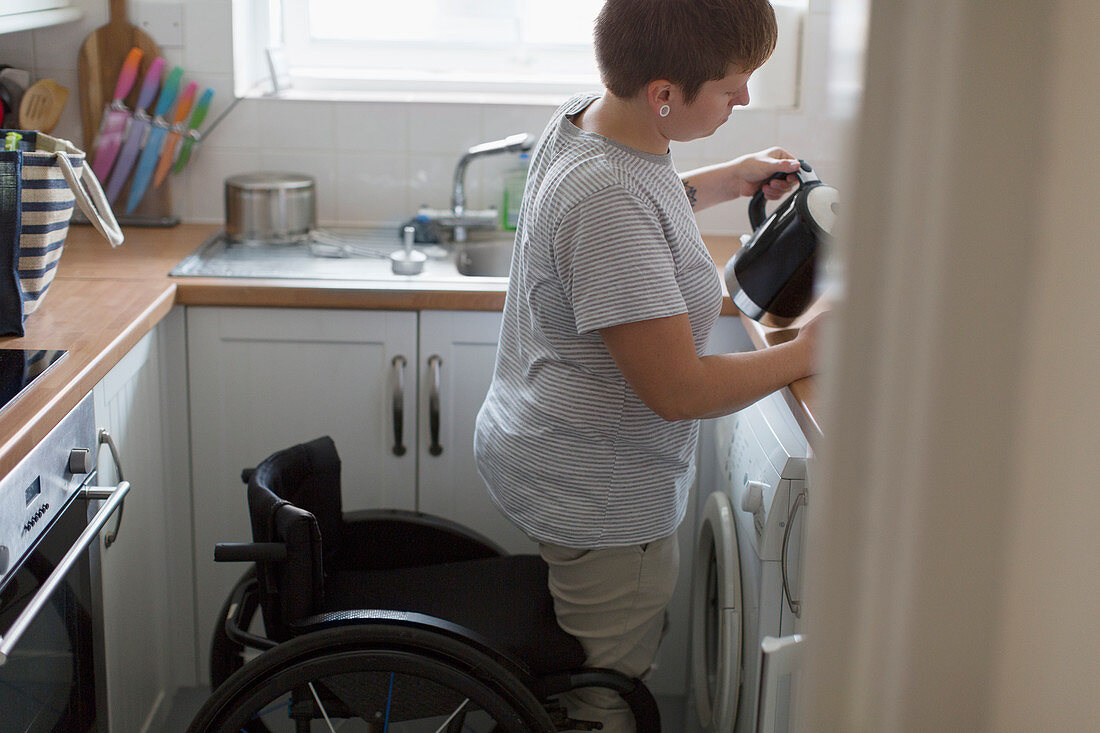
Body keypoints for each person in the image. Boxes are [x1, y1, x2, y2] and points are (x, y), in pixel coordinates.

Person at [474, 0, 824, 729]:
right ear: (665, 94)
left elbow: (646, 200)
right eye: (733, 86)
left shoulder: (591, 121)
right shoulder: (607, 201)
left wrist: (731, 178)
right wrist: (810, 351)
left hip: (544, 452)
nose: (745, 99)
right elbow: (677, 388)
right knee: (604, 695)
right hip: (601, 497)